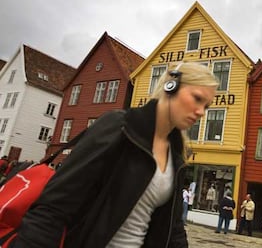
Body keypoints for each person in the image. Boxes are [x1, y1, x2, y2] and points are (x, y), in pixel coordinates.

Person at [10, 62, 219, 248]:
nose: (201, 112)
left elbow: (172, 230)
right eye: (197, 98)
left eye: (206, 106)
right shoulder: (120, 128)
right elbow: (54, 208)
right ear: (170, 86)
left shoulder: (176, 158)